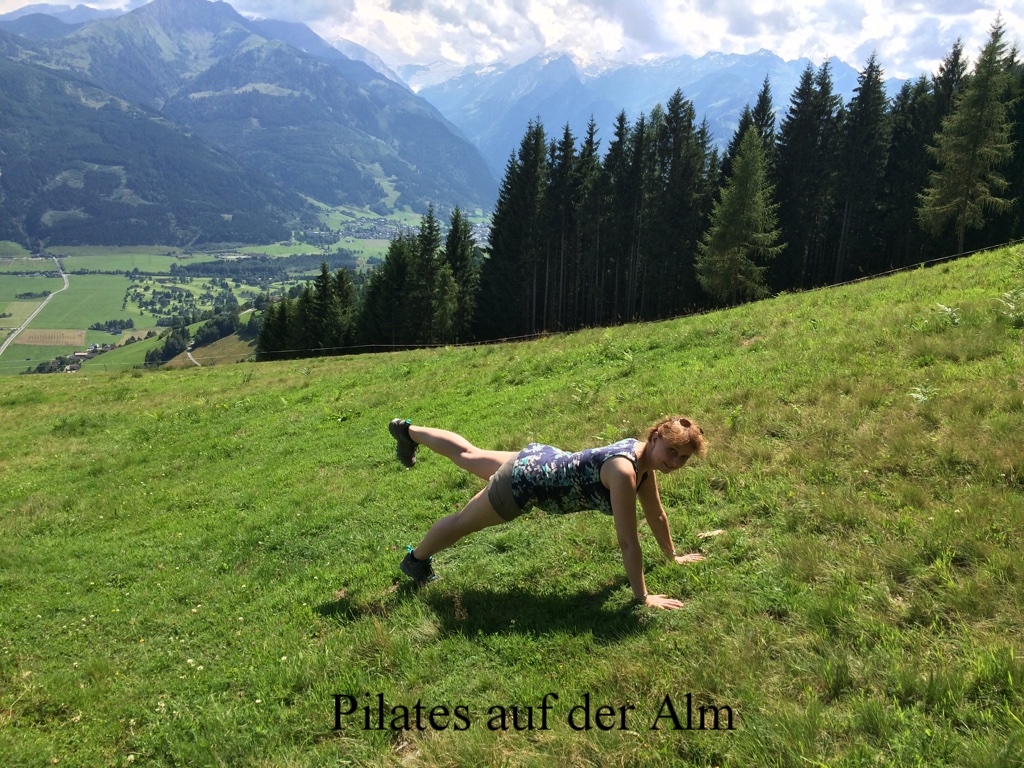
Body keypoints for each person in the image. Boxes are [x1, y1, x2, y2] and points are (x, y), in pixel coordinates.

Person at [388, 416, 709, 610]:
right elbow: (628, 542)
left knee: (468, 453)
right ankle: (415, 561)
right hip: (524, 483)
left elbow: (657, 516)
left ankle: (408, 432)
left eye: (682, 458)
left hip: (539, 459)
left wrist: (673, 556)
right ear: (656, 437)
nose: (675, 462)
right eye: (671, 452)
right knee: (461, 523)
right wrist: (643, 597)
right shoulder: (625, 472)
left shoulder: (641, 457)